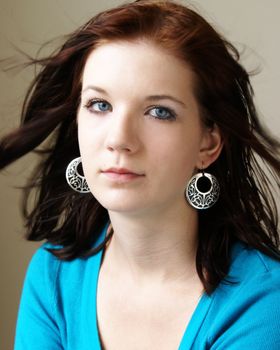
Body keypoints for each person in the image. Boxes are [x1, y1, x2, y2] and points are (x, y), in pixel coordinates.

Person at [1, 0, 280, 349]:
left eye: (159, 112)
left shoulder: (265, 302)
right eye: (99, 105)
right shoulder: (53, 276)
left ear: (208, 144)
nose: (119, 139)